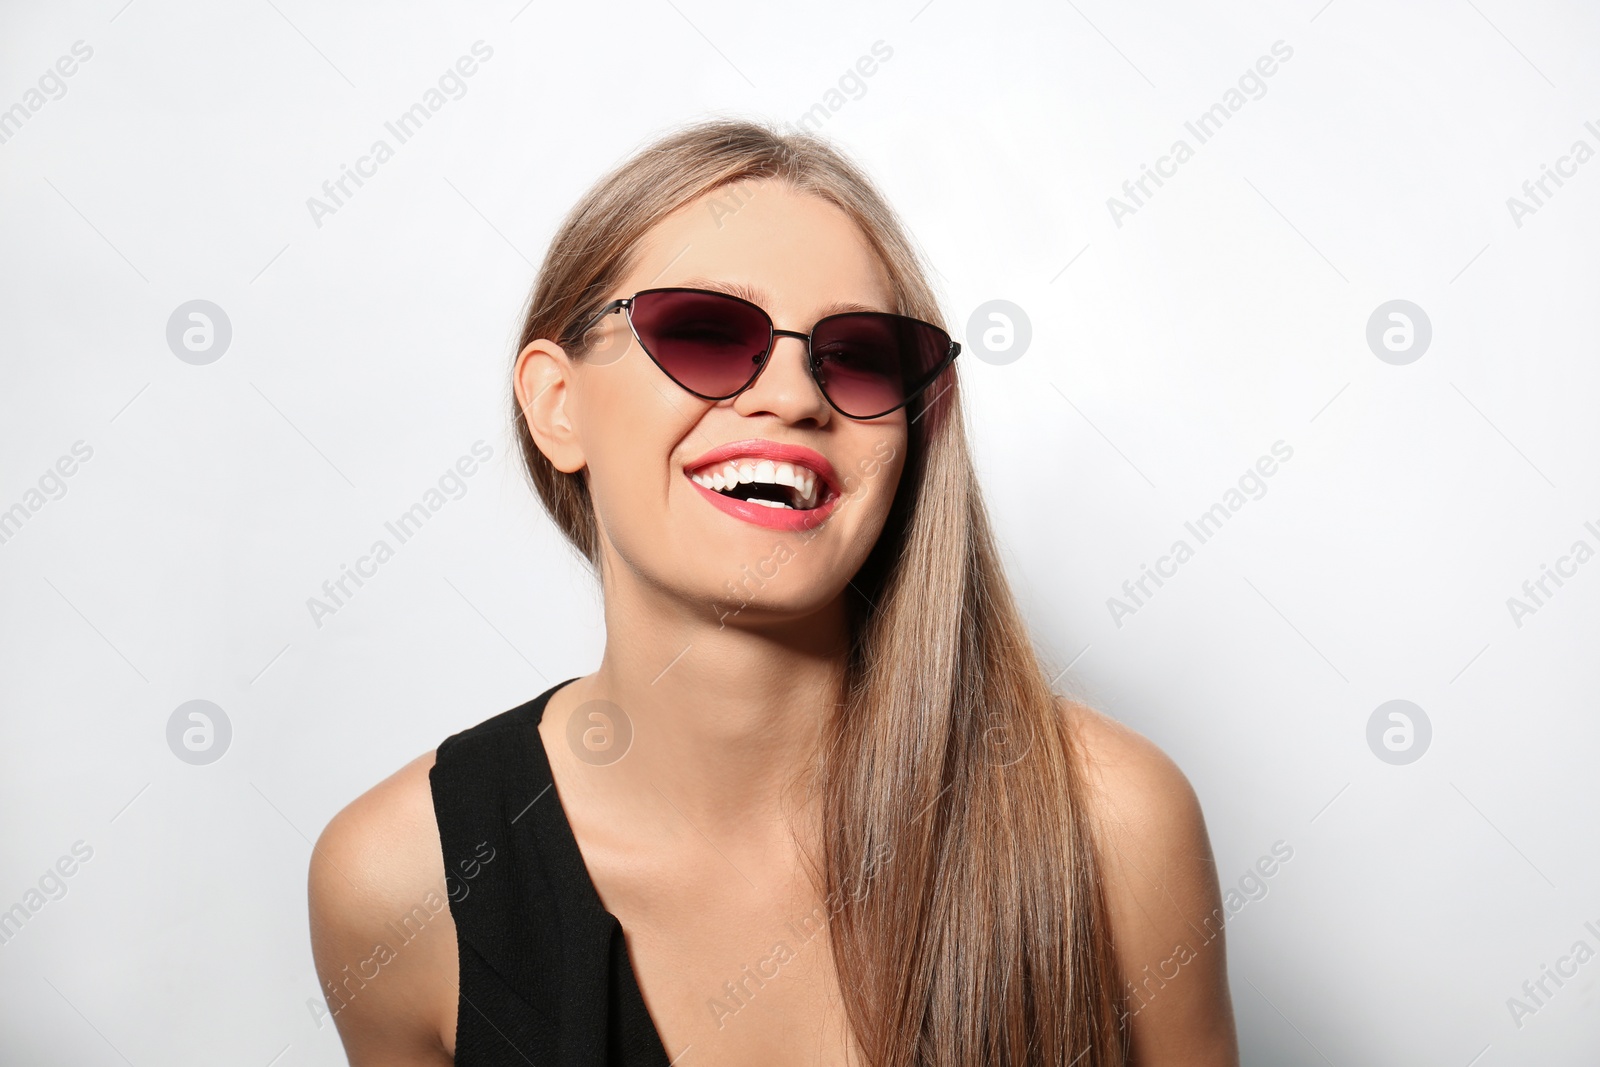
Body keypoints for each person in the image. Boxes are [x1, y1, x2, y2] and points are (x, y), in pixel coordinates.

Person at [308, 118, 1239, 1066]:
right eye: (705, 332)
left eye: (862, 356)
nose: (796, 396)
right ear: (556, 404)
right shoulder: (402, 884)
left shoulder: (1111, 825)